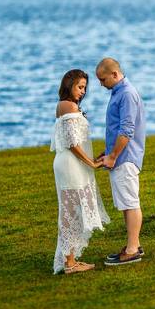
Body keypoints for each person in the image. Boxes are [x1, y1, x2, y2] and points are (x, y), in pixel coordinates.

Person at [50, 69, 110, 274]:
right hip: (69, 164)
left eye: (85, 87)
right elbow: (72, 143)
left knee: (74, 210)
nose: (83, 91)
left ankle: (71, 259)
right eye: (80, 87)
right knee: (70, 211)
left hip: (73, 163)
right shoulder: (67, 105)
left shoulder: (68, 106)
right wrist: (91, 164)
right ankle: (69, 263)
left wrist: (91, 160)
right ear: (69, 85)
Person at [95, 57, 146, 266]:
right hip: (120, 156)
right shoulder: (119, 92)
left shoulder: (126, 93)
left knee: (131, 202)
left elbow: (126, 130)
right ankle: (133, 245)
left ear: (115, 74)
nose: (100, 84)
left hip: (125, 158)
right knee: (126, 203)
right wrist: (107, 152)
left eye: (103, 79)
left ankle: (133, 250)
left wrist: (113, 156)